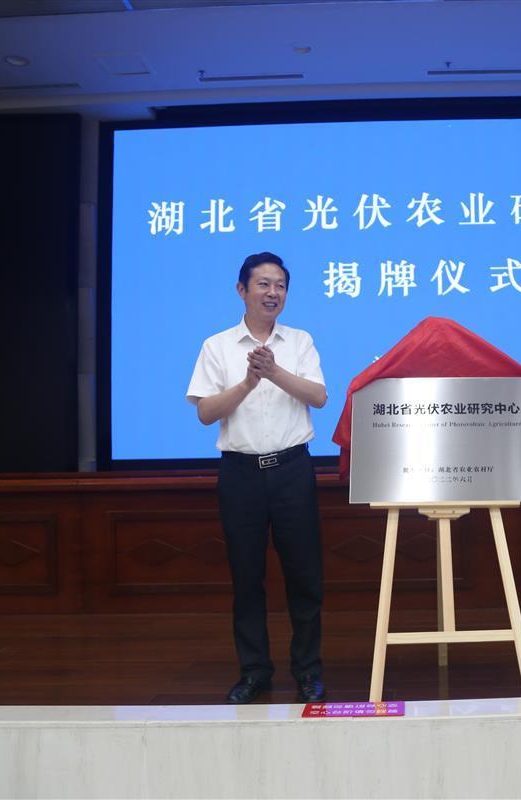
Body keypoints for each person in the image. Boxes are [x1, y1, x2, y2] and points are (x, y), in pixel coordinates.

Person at [186, 252, 329, 705]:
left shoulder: (299, 341)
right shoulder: (217, 346)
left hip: (292, 470)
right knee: (246, 577)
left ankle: (307, 671)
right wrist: (249, 382)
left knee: (304, 575)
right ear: (242, 290)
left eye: (280, 285)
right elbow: (206, 412)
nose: (273, 293)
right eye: (263, 284)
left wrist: (274, 371)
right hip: (241, 474)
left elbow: (319, 397)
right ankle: (254, 672)